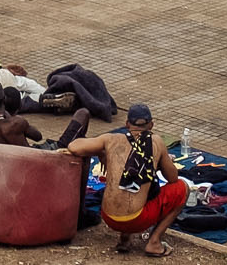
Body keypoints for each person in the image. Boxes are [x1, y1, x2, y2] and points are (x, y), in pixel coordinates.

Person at [62, 103, 185, 257]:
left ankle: (124, 239)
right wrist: (159, 162)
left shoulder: (111, 139)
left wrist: (101, 151)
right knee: (182, 188)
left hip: (109, 218)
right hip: (137, 220)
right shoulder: (156, 142)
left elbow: (73, 146)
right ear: (151, 125)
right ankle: (154, 242)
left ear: (127, 124)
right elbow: (173, 178)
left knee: (133, 183)